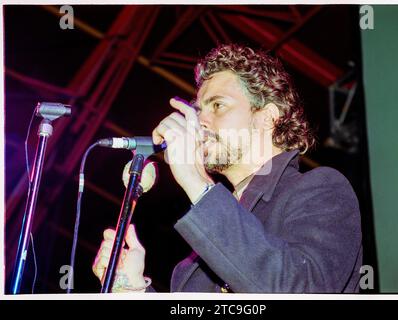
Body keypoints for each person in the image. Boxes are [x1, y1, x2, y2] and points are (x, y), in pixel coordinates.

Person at [92, 44, 363, 293]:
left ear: (267, 117)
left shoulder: (321, 188)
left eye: (218, 106)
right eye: (198, 111)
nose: (201, 122)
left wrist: (196, 180)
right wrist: (133, 290)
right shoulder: (191, 264)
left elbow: (301, 289)